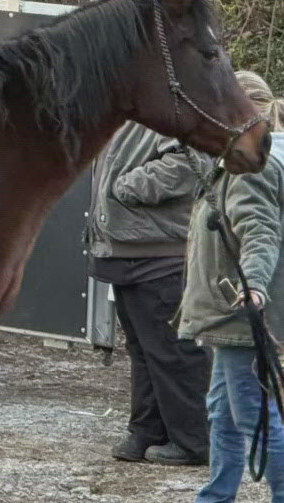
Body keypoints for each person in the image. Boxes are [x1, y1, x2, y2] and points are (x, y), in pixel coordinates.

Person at [162, 70, 284, 503]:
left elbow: (259, 232)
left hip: (240, 316)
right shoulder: (237, 166)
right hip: (229, 314)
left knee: (253, 415)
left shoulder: (250, 171)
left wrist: (252, 284)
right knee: (225, 414)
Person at [87, 122, 214, 465]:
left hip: (159, 254)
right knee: (143, 350)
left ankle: (193, 441)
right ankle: (147, 430)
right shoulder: (129, 114)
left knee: (173, 350)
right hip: (128, 252)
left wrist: (125, 188)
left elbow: (192, 163)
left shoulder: (166, 112)